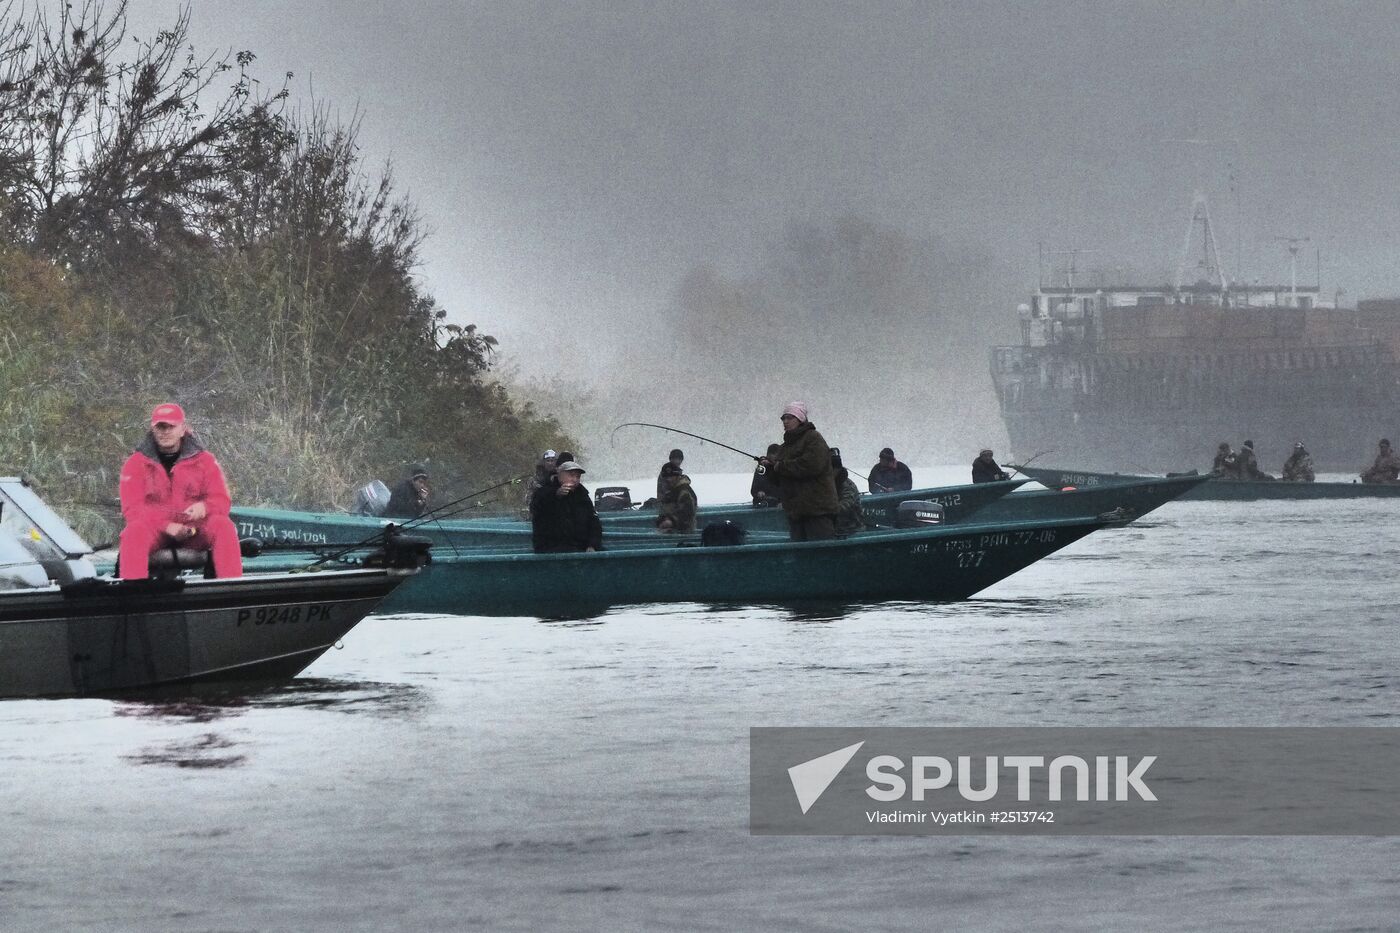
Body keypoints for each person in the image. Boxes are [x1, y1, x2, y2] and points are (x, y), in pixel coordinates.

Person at [118, 402, 242, 579]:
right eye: (160, 426)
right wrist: (166, 526)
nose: (165, 431)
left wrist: (204, 508)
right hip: (155, 531)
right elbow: (133, 509)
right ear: (152, 429)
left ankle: (232, 591)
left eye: (171, 426)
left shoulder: (205, 461)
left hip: (195, 531)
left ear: (183, 429)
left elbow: (221, 500)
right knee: (133, 532)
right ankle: (133, 596)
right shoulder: (135, 464)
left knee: (223, 526)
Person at [758, 402, 839, 541]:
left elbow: (811, 466)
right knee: (801, 555)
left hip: (817, 511)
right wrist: (770, 468)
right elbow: (779, 479)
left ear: (800, 419)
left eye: (790, 418)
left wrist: (780, 466)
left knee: (821, 554)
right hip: (795, 514)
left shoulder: (814, 438)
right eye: (783, 418)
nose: (785, 421)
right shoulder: (784, 447)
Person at [530, 459, 603, 553]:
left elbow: (594, 523)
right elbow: (537, 510)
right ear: (560, 475)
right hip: (550, 549)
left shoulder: (582, 495)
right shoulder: (543, 491)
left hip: (580, 548)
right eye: (571, 475)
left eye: (578, 476)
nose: (575, 479)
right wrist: (556, 495)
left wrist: (592, 545)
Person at [655, 462, 698, 533]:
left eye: (671, 476)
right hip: (670, 534)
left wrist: (672, 522)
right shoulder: (669, 493)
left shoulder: (684, 492)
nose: (668, 479)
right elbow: (664, 512)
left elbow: (687, 515)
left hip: (683, 536)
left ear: (677, 476)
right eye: (666, 477)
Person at [524, 449, 558, 515]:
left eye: (552, 461)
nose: (550, 463)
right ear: (544, 462)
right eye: (548, 461)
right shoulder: (535, 478)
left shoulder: (560, 475)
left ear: (556, 462)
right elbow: (528, 499)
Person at [834, 464, 866, 535]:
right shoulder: (829, 484)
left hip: (851, 530)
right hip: (835, 529)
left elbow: (846, 505)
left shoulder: (847, 486)